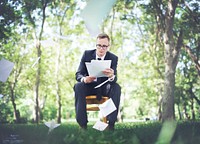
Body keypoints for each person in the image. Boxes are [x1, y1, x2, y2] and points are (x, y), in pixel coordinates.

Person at [74, 33, 121, 130]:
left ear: (108, 46)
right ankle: (82, 124)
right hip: (89, 87)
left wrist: (111, 76)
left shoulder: (113, 58)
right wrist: (85, 79)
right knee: (78, 86)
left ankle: (110, 124)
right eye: (99, 45)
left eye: (104, 46)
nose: (101, 49)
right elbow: (78, 74)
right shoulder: (87, 54)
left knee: (116, 87)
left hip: (104, 88)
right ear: (96, 45)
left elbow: (114, 79)